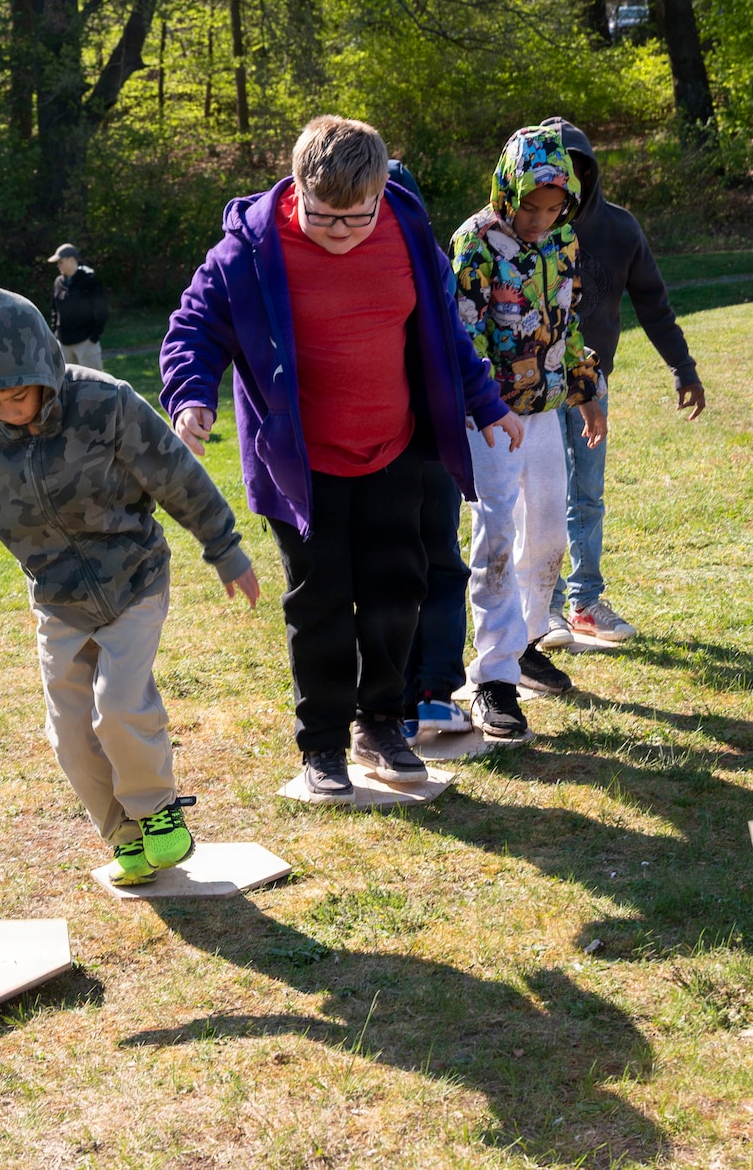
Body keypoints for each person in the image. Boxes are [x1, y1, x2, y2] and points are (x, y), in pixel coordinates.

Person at [0, 288, 260, 887]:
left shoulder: (106, 404)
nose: (7, 409)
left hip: (133, 579)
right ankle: (123, 836)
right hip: (58, 602)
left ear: (46, 374)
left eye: (18, 395)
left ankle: (158, 811)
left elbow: (176, 475)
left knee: (118, 704)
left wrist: (226, 549)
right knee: (70, 731)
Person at [161, 117, 520, 799]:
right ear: (298, 188)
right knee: (320, 601)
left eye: (357, 218)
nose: (341, 233)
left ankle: (381, 722)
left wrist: (487, 402)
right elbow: (193, 325)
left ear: (382, 190)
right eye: (324, 217)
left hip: (393, 447)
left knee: (397, 588)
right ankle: (321, 744)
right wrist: (190, 397)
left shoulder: (407, 231)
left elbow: (445, 331)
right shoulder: (250, 248)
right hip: (303, 464)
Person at [452, 125, 604, 731]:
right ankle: (492, 678)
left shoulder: (564, 241)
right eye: (531, 207)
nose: (541, 219)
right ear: (507, 193)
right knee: (494, 541)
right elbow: (465, 333)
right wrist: (491, 403)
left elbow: (565, 323)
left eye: (552, 208)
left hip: (544, 413)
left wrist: (586, 392)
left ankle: (525, 646)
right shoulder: (475, 243)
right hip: (489, 418)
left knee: (545, 535)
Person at [533, 117, 706, 649]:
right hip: (532, 386)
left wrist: (684, 368)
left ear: (589, 172)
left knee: (586, 494)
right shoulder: (528, 229)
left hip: (592, 382)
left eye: (576, 170)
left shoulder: (621, 229)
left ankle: (585, 602)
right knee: (541, 496)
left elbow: (654, 304)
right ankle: (546, 608)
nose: (567, 183)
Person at [384, 158, 478, 739]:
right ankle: (427, 695)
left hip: (405, 444)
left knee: (408, 567)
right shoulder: (434, 264)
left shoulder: (383, 264)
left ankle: (412, 698)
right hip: (419, 442)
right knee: (434, 564)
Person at [48, 244, 109, 370]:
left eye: (61, 262)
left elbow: (102, 310)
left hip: (86, 344)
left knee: (94, 383)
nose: (58, 265)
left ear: (71, 260)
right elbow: (54, 310)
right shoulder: (58, 282)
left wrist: (94, 337)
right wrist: (55, 333)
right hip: (64, 344)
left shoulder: (89, 281)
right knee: (67, 384)